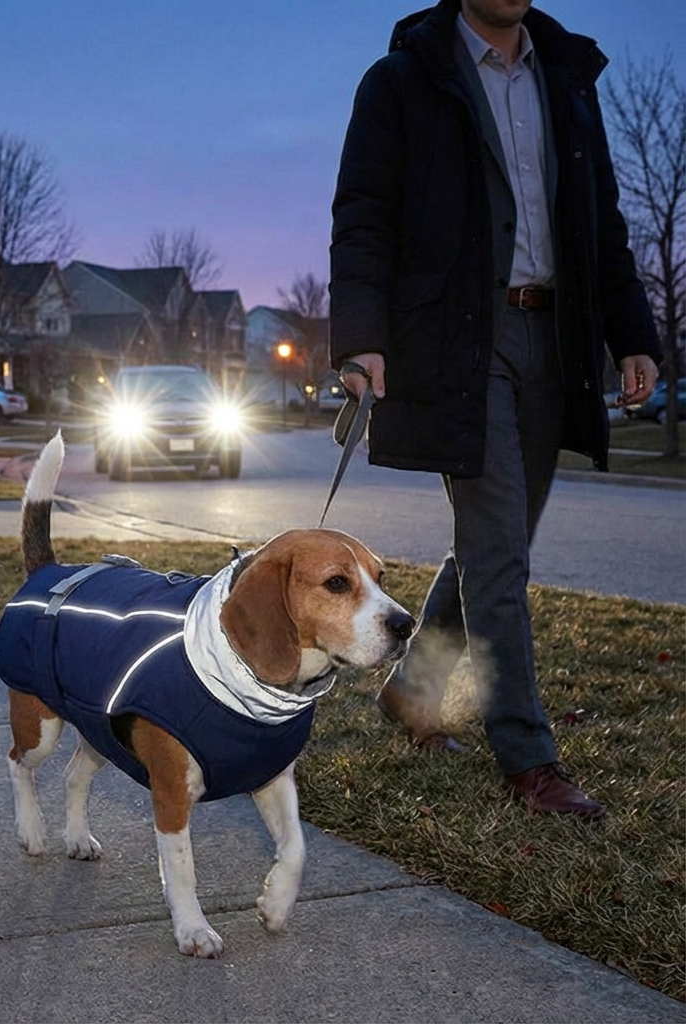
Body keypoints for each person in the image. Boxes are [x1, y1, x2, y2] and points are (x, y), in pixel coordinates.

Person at [329, 0, 661, 818]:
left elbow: (602, 224)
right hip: (459, 342)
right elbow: (362, 217)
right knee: (499, 554)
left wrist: (633, 334)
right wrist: (362, 337)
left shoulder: (570, 80)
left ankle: (414, 694)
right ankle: (527, 754)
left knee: (496, 544)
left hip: (558, 339)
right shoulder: (402, 81)